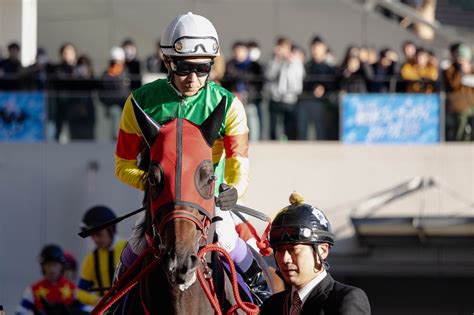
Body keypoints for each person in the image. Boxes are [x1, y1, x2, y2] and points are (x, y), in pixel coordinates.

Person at [114, 12, 271, 304]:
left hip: (208, 202)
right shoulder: (139, 102)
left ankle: (263, 296)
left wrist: (234, 189)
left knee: (225, 236)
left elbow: (240, 162)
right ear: (167, 61)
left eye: (203, 69)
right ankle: (114, 300)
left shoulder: (229, 105)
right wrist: (150, 181)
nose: (193, 78)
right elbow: (122, 165)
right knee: (135, 245)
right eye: (184, 67)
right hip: (162, 204)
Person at [261, 192, 371, 315]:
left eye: (294, 249)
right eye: (279, 250)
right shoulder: (272, 305)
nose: (285, 259)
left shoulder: (345, 299)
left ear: (323, 250)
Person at [77, 205, 127, 307]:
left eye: (98, 234)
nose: (95, 239)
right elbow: (79, 292)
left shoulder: (128, 249)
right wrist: (96, 300)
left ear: (111, 229)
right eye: (92, 235)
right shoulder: (92, 258)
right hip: (104, 310)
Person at [16, 244, 83, 315]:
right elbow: (20, 312)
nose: (52, 269)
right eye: (48, 265)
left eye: (55, 264)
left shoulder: (73, 289)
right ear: (43, 266)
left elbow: (88, 311)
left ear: (61, 266)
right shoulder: (32, 290)